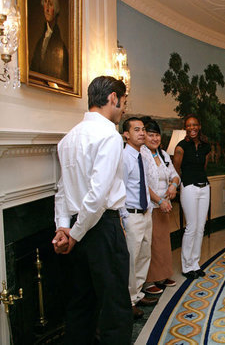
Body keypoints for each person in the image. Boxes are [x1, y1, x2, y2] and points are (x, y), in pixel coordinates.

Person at [52, 76, 132, 343]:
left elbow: (62, 190)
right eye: (123, 102)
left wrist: (63, 228)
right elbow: (97, 197)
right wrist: (73, 234)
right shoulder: (108, 135)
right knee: (115, 307)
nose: (123, 109)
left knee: (80, 304)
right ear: (112, 97)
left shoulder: (67, 139)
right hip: (102, 230)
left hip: (77, 226)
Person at [121, 117, 157, 319]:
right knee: (132, 260)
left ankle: (138, 293)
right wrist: (123, 219)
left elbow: (143, 185)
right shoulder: (124, 158)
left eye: (143, 129)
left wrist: (150, 208)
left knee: (144, 255)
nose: (142, 133)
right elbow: (120, 190)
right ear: (126, 134)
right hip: (131, 216)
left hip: (145, 213)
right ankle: (128, 301)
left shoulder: (142, 155)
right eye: (137, 130)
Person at [140, 118, 180, 294]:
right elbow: (142, 184)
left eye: (157, 135)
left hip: (165, 205)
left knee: (163, 241)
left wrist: (173, 186)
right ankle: (149, 281)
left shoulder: (162, 154)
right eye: (151, 135)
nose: (154, 139)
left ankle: (163, 276)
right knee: (151, 243)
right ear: (144, 136)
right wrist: (159, 201)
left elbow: (175, 175)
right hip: (151, 206)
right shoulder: (141, 154)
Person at [173, 114, 211, 280]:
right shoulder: (181, 147)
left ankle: (195, 264)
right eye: (188, 125)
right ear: (185, 128)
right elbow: (176, 170)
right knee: (191, 227)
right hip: (188, 187)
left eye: (195, 125)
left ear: (199, 126)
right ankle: (186, 266)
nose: (192, 128)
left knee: (201, 227)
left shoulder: (205, 147)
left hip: (205, 188)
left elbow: (204, 167)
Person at [30, 0, 69, 81]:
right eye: (45, 3)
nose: (47, 9)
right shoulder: (40, 41)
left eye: (50, 4)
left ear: (55, 9)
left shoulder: (60, 45)